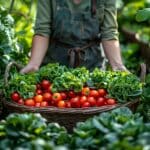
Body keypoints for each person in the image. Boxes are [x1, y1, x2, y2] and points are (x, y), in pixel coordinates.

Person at [20, 0, 127, 73]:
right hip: (53, 65)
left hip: (92, 66)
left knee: (93, 102)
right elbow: (42, 30)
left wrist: (117, 66)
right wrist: (34, 64)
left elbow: (109, 32)